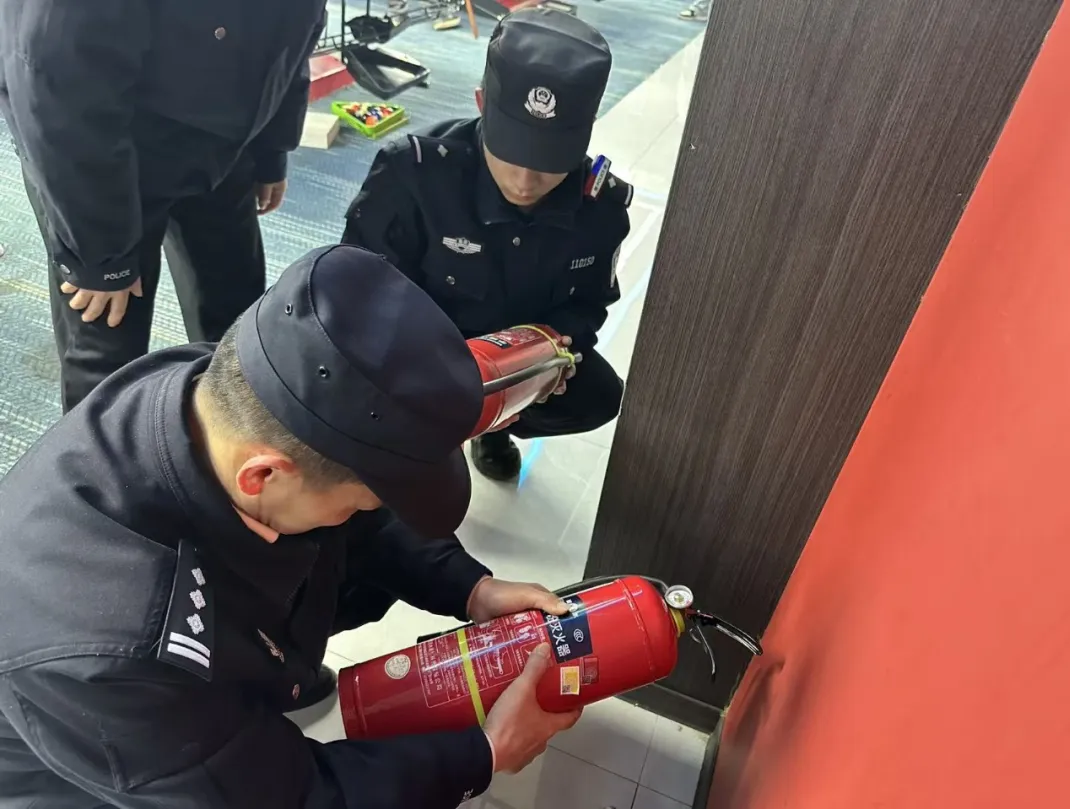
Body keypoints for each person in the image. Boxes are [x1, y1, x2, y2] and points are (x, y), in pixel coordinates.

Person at [0, 245, 581, 808]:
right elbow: (286, 797)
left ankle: (271, 679)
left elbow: (361, 488)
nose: (364, 515)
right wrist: (483, 755)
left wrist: (471, 588)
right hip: (89, 772)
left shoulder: (236, 391)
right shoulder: (118, 657)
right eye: (356, 505)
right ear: (262, 476)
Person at [341, 8, 632, 482]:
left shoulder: (602, 207)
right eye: (510, 150)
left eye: (549, 159)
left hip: (518, 362)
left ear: (587, 128)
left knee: (599, 397)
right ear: (481, 103)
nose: (524, 181)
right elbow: (356, 296)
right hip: (420, 356)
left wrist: (544, 364)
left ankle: (494, 427)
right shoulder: (412, 174)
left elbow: (589, 305)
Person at [0, 0, 327, 412]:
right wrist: (101, 256)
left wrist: (272, 146)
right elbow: (56, 83)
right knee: (109, 354)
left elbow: (297, 25)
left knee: (238, 325)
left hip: (224, 132)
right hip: (95, 150)